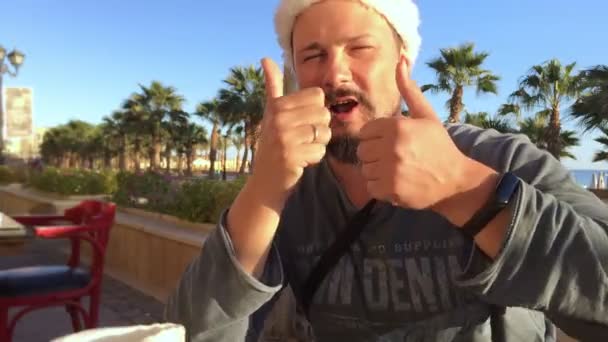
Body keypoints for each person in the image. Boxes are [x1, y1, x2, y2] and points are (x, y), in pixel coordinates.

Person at [165, 0, 608, 341]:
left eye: (359, 48)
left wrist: (466, 191)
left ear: (403, 62)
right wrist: (263, 190)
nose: (335, 72)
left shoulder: (499, 160)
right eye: (312, 56)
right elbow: (185, 333)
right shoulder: (289, 191)